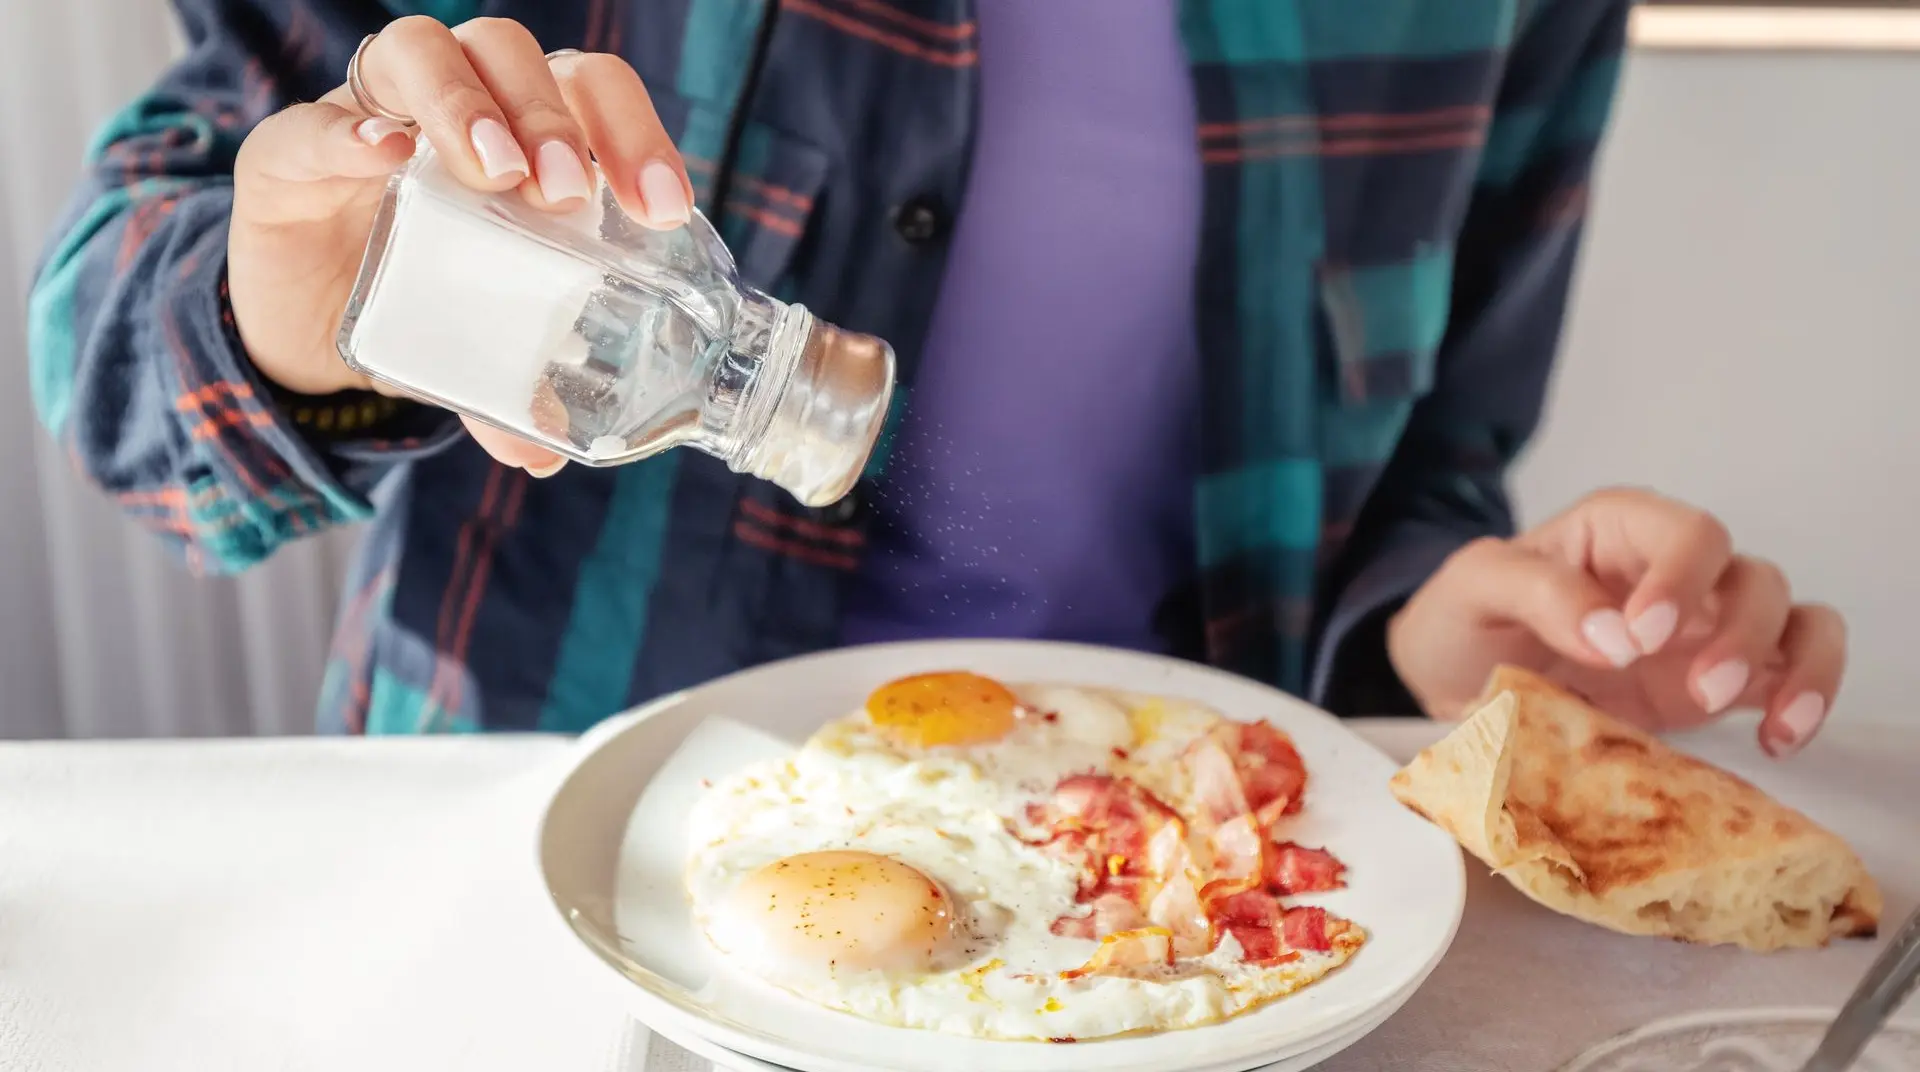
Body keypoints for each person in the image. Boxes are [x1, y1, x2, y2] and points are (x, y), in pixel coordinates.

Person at [26, 0, 1841, 756]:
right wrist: (297, 317)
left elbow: (1437, 459)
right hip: (551, 874)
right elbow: (114, 389)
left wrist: (1444, 639)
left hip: (1168, 895)